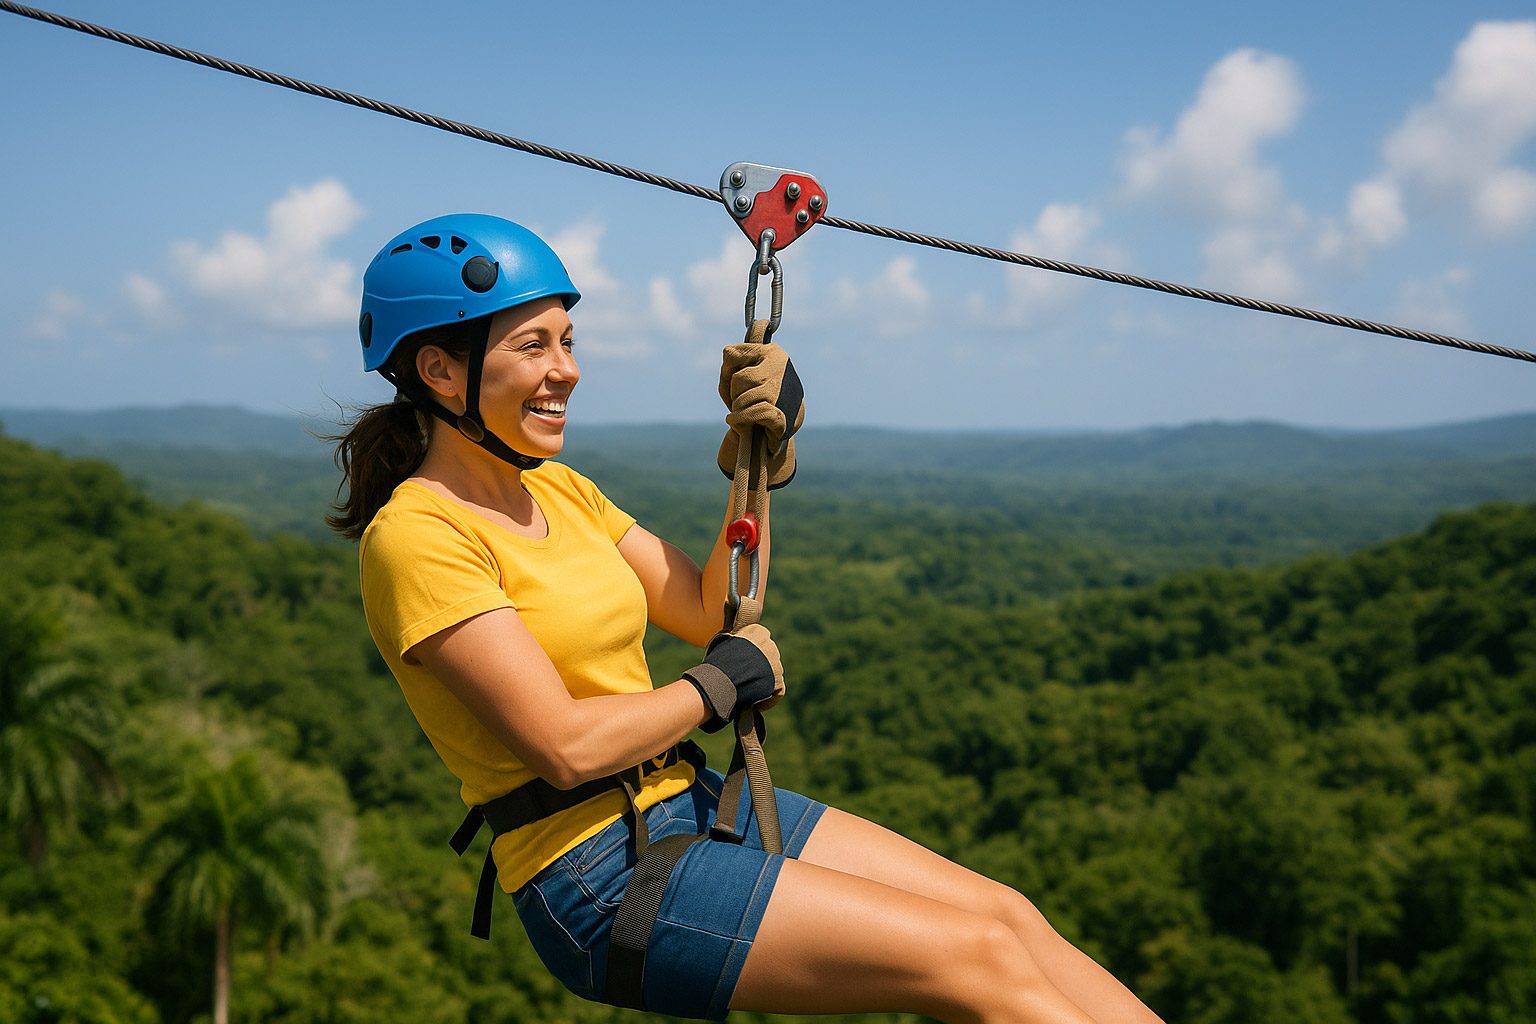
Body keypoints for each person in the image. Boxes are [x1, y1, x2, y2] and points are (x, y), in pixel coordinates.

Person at [329, 213, 1164, 1024]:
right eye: (533, 345)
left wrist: (757, 459)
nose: (568, 370)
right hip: (591, 870)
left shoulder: (559, 489)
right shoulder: (418, 537)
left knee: (1005, 918)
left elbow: (706, 610)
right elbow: (565, 745)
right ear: (440, 371)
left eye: (568, 341)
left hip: (681, 799)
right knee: (971, 959)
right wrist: (713, 688)